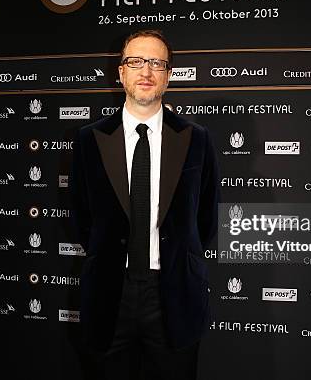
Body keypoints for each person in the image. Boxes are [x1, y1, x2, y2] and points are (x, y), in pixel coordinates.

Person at [69, 29, 220, 380]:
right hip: (110, 296)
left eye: (156, 63)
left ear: (168, 75)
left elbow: (206, 218)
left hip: (173, 296)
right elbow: (81, 217)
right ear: (121, 73)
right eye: (135, 62)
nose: (146, 71)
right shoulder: (88, 139)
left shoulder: (196, 139)